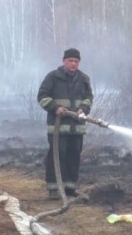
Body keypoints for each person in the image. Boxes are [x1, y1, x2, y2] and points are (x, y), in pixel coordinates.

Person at [37, 48, 93, 199]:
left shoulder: (84, 79)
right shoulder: (53, 77)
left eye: (76, 61)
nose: (73, 64)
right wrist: (55, 108)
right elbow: (42, 96)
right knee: (57, 155)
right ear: (64, 61)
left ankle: (70, 188)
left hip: (77, 127)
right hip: (58, 127)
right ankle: (54, 189)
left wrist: (84, 109)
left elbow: (88, 98)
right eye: (70, 61)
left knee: (74, 156)